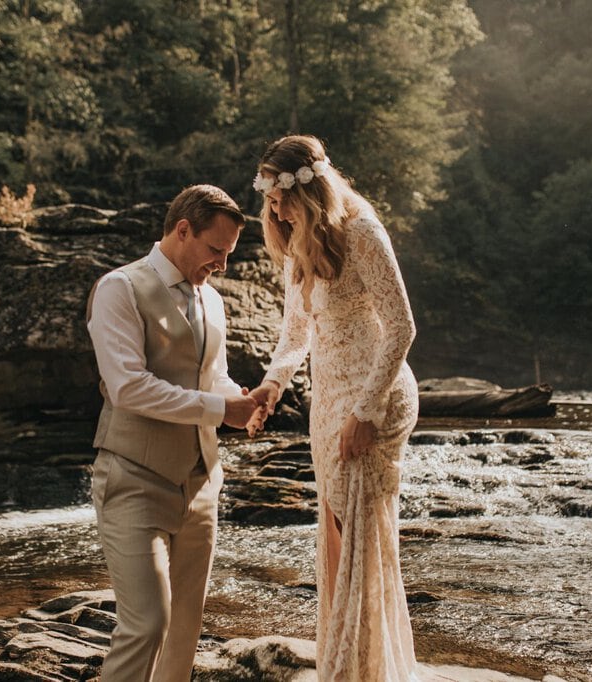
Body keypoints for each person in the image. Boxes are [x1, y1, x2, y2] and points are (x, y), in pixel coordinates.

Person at [247, 135, 420, 681]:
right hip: (328, 401)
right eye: (270, 200)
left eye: (282, 198)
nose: (275, 211)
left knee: (359, 536)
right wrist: (272, 387)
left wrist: (366, 412)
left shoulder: (362, 229)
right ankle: (347, 664)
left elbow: (401, 326)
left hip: (375, 394)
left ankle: (359, 669)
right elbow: (295, 332)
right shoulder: (298, 239)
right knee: (336, 536)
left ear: (312, 187)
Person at [86, 184, 262, 682]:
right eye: (215, 250)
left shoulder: (212, 300)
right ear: (182, 230)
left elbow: (213, 377)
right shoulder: (119, 288)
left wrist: (242, 403)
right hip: (132, 479)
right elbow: (128, 388)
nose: (222, 264)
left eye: (228, 253)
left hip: (202, 483)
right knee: (147, 623)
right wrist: (218, 409)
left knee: (185, 627)